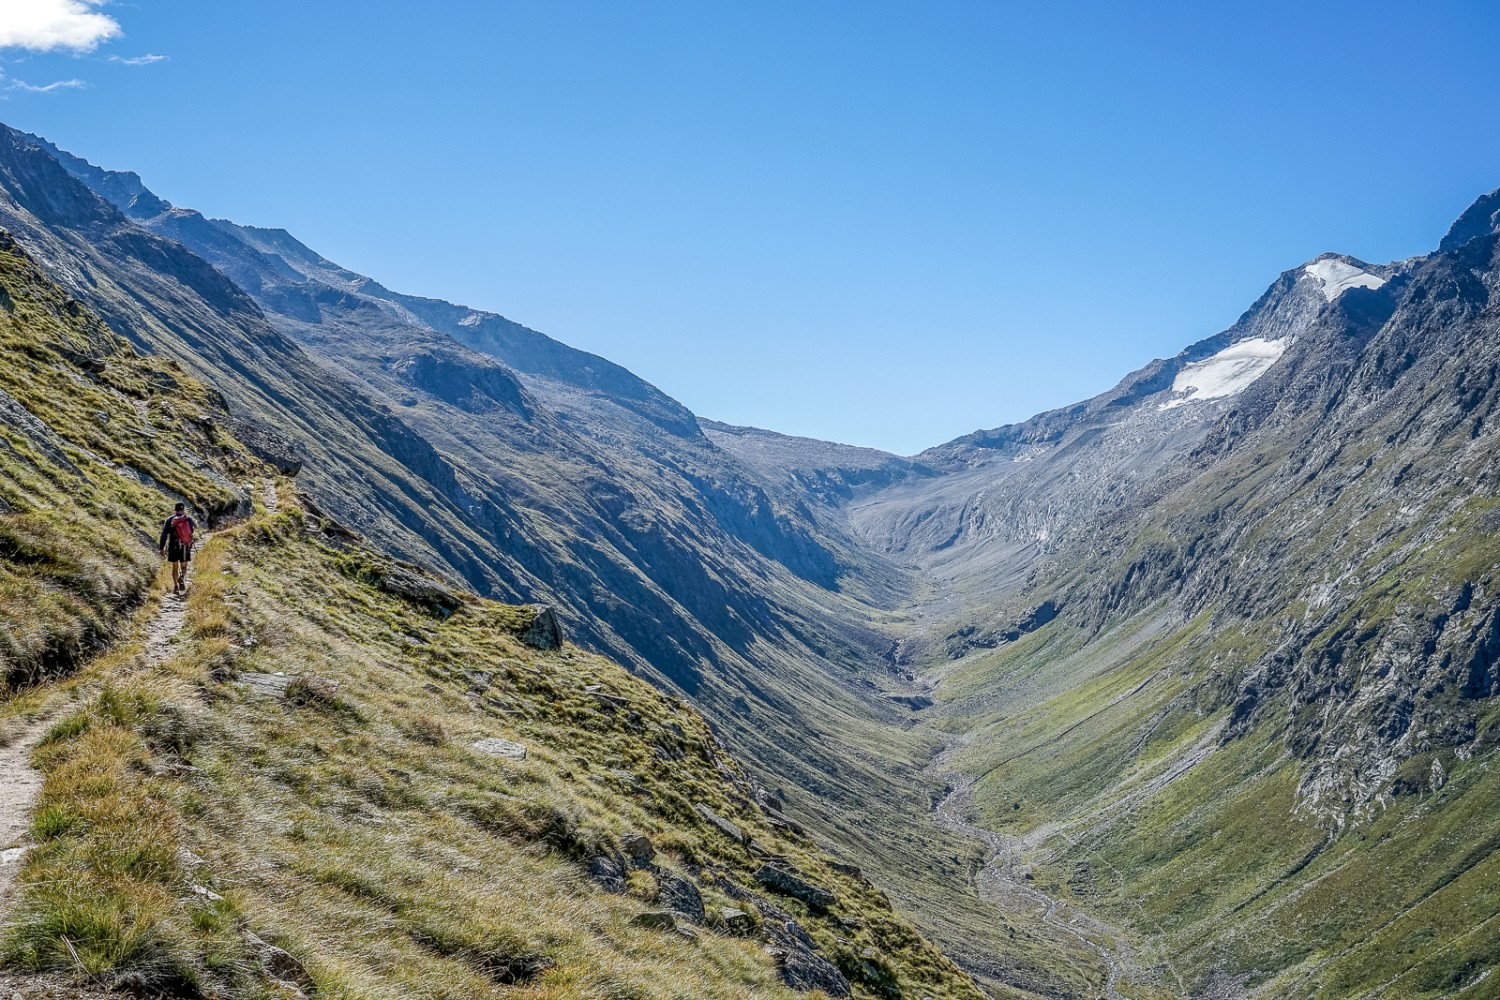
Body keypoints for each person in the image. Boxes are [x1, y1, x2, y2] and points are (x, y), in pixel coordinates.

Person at [158, 502, 197, 594]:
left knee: (174, 567)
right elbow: (191, 532)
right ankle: (182, 578)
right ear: (183, 510)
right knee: (184, 566)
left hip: (173, 546)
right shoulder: (188, 519)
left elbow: (164, 535)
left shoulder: (169, 519)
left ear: (175, 510)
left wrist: (161, 548)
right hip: (184, 545)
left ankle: (175, 587)